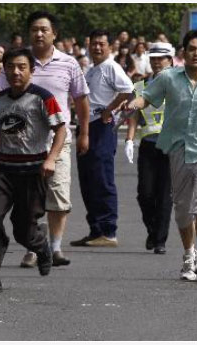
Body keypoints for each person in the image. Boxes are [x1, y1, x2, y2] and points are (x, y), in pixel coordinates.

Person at [125, 29, 197, 280]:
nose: (196, 54)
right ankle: (188, 255)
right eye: (192, 49)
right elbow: (146, 97)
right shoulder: (168, 77)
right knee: (182, 209)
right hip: (177, 149)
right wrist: (134, 104)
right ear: (183, 53)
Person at [0, 48, 66, 293]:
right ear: (3, 70)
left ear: (31, 70)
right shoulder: (1, 98)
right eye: (10, 67)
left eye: (21, 67)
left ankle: (40, 245)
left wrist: (51, 159)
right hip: (4, 171)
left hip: (32, 173)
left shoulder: (43, 97)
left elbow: (61, 129)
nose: (15, 72)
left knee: (23, 229)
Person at [0, 11, 90, 268]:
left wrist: (85, 133)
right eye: (34, 29)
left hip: (58, 139)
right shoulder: (17, 62)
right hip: (22, 143)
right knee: (28, 200)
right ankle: (34, 246)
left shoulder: (68, 63)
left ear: (54, 33)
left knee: (57, 195)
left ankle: (55, 247)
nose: (39, 33)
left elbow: (80, 99)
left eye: (44, 29)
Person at [70, 29, 134, 247]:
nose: (97, 47)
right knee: (88, 181)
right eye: (94, 43)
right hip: (86, 126)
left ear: (109, 46)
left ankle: (108, 230)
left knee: (102, 178)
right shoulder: (91, 69)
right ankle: (95, 229)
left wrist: (109, 110)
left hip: (101, 128)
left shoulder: (111, 67)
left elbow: (128, 89)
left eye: (101, 44)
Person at [125, 42, 176, 255]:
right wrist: (129, 139)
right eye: (153, 58)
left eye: (161, 58)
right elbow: (135, 114)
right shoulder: (140, 86)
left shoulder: (179, 85)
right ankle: (153, 229)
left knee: (165, 195)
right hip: (148, 144)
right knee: (145, 193)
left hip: (172, 145)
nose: (157, 62)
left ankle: (160, 240)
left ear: (170, 61)